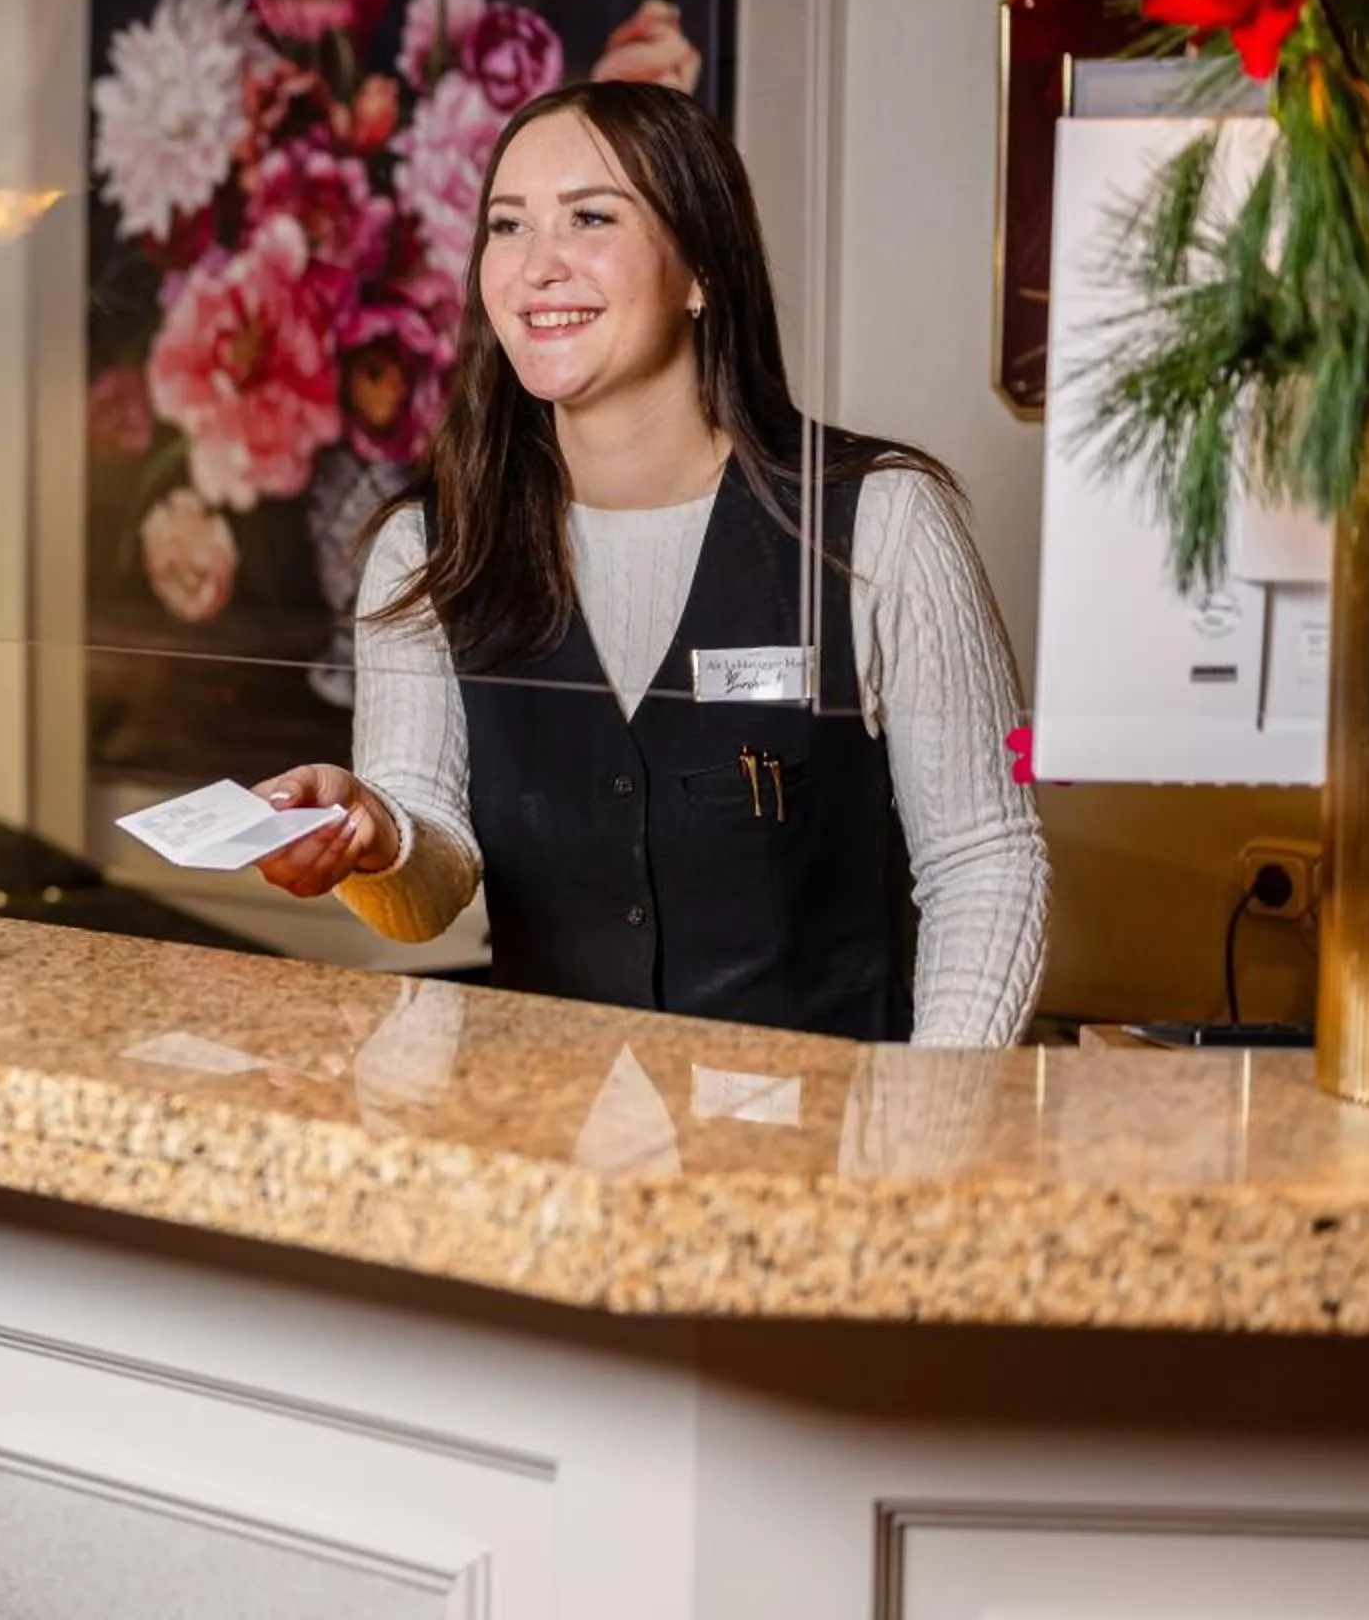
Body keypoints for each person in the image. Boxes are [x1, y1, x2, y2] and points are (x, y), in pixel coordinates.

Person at [255, 81, 1046, 1046]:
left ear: (700, 268)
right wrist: (376, 836)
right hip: (540, 1118)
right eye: (508, 226)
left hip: (824, 1121)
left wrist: (931, 1112)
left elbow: (985, 863)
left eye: (590, 218)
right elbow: (431, 882)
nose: (539, 265)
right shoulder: (430, 548)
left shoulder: (881, 518)